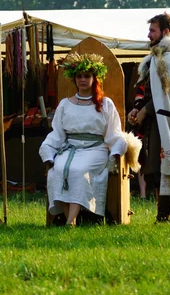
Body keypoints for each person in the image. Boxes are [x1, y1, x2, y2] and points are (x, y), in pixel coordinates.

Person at [39, 52, 127, 226]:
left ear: (94, 78)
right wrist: (48, 151)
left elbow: (114, 133)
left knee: (79, 170)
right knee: (56, 171)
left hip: (96, 149)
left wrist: (114, 154)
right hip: (70, 147)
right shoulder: (65, 104)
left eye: (87, 76)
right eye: (79, 76)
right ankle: (70, 221)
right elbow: (57, 133)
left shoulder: (105, 104)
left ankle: (70, 220)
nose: (83, 80)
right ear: (74, 79)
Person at [128, 13, 170, 224]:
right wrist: (137, 109)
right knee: (156, 170)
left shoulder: (169, 59)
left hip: (168, 123)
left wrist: (145, 111)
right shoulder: (156, 59)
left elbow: (168, 97)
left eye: (153, 30)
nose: (149, 35)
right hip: (155, 122)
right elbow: (151, 93)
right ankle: (162, 214)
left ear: (165, 32)